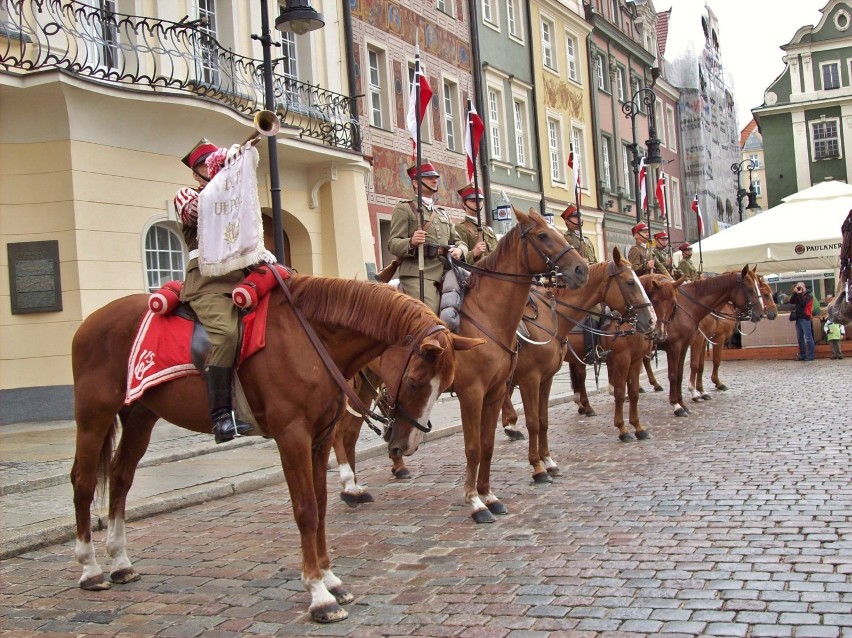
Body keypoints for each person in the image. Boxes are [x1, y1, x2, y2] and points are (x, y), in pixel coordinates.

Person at [174, 139, 253, 444]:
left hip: (239, 280)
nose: (213, 168)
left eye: (215, 161)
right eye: (206, 165)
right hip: (208, 283)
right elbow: (196, 212)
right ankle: (221, 416)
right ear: (196, 174)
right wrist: (224, 173)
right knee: (226, 335)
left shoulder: (232, 199)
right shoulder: (188, 195)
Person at [387, 161, 467, 314]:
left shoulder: (443, 213)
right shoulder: (405, 208)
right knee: (431, 314)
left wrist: (460, 250)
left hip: (445, 270)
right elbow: (393, 244)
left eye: (436, 177)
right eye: (429, 177)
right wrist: (411, 241)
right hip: (418, 273)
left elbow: (459, 241)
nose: (435, 180)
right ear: (416, 182)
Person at [453, 185, 498, 263]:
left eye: (480, 200)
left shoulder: (488, 230)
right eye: (473, 200)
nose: (477, 203)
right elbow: (458, 259)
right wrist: (473, 253)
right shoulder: (460, 227)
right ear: (464, 204)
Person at [789, 281, 815, 361]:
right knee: (800, 338)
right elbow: (791, 301)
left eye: (800, 287)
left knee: (808, 337)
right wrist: (794, 293)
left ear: (804, 287)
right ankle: (802, 355)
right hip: (798, 318)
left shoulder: (809, 295)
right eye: (797, 287)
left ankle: (810, 355)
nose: (799, 288)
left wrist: (800, 294)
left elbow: (804, 304)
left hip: (805, 318)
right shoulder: (798, 295)